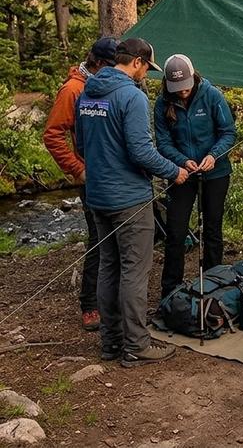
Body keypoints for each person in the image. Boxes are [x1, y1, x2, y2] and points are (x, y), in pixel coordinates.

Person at [75, 38, 189, 367]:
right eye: (146, 69)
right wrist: (174, 171)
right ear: (136, 62)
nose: (145, 76)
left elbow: (81, 144)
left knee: (108, 268)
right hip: (129, 199)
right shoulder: (131, 97)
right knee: (134, 273)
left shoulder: (87, 93)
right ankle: (137, 345)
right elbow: (141, 151)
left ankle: (110, 343)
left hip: (97, 196)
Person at [42, 36, 119, 331]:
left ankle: (109, 299)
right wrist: (77, 169)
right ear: (98, 64)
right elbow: (52, 134)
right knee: (99, 240)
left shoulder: (106, 86)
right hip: (91, 178)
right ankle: (89, 305)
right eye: (110, 65)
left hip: (112, 175)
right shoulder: (73, 89)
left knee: (117, 240)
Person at [155, 54, 236, 299]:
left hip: (216, 172)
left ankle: (214, 283)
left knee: (212, 229)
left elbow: (228, 133)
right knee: (176, 231)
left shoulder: (212, 95)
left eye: (186, 86)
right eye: (177, 88)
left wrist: (213, 155)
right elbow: (163, 142)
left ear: (194, 76)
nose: (182, 92)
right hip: (181, 174)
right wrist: (182, 161)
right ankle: (170, 288)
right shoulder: (162, 103)